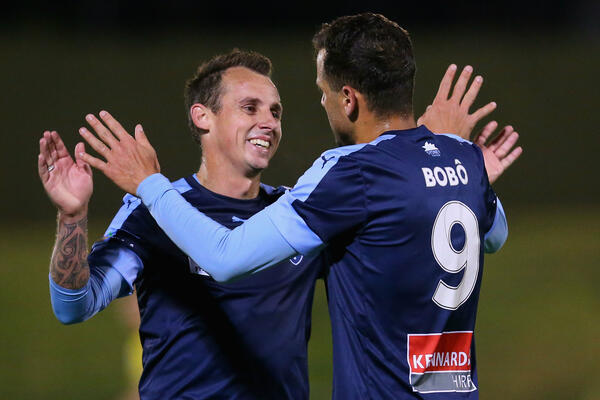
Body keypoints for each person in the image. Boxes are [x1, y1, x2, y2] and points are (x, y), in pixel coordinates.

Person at [75, 13, 522, 399]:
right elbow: (494, 235)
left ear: (348, 99)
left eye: (322, 91)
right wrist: (436, 147)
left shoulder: (351, 173)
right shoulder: (464, 162)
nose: (321, 102)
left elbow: (226, 257)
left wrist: (149, 184)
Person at [39, 50, 327, 399]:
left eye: (275, 111)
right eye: (250, 108)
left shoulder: (296, 214)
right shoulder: (150, 213)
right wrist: (72, 218)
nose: (269, 122)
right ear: (203, 117)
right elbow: (73, 306)